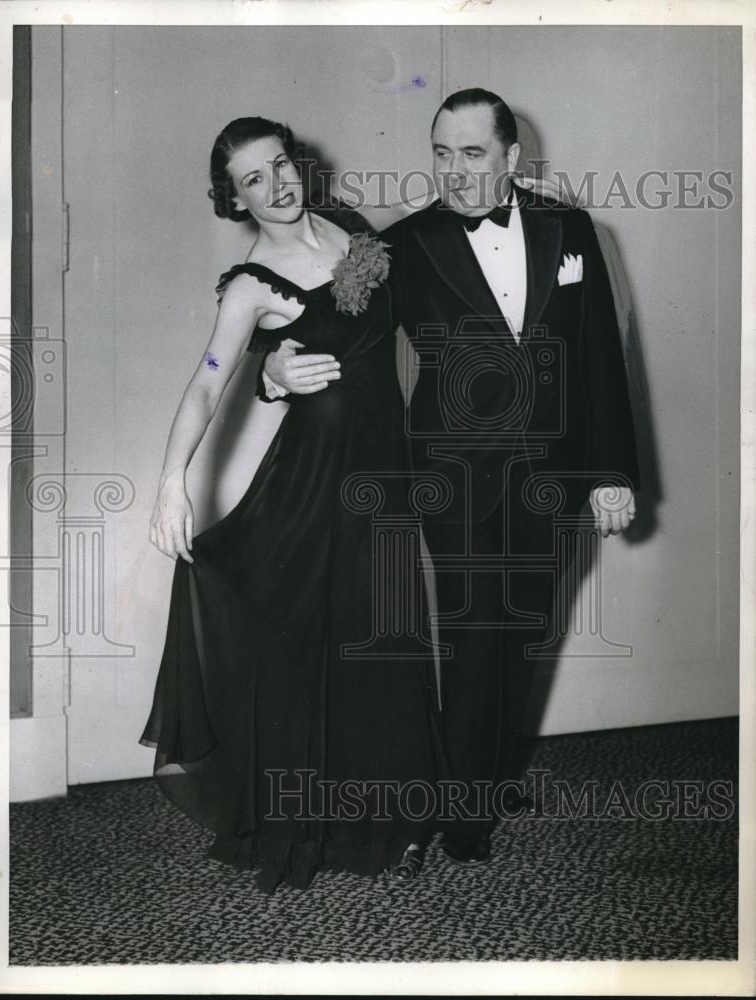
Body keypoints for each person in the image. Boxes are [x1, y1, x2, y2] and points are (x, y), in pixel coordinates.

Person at [262, 89, 641, 866]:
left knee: (527, 633)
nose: (454, 170)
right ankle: (465, 807)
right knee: (475, 636)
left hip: (555, 477)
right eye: (441, 152)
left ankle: (492, 772)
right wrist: (269, 368)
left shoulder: (571, 231)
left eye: (472, 153)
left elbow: (600, 353)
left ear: (511, 159)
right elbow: (330, 324)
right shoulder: (401, 244)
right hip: (453, 478)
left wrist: (610, 474)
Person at [140, 116, 447, 894]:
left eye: (278, 166)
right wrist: (173, 477)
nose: (273, 186)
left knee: (385, 635)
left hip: (384, 477)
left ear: (297, 165)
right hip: (312, 486)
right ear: (233, 198)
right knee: (307, 642)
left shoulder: (352, 229)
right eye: (251, 179)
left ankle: (393, 819)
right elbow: (210, 377)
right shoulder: (248, 284)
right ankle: (305, 819)